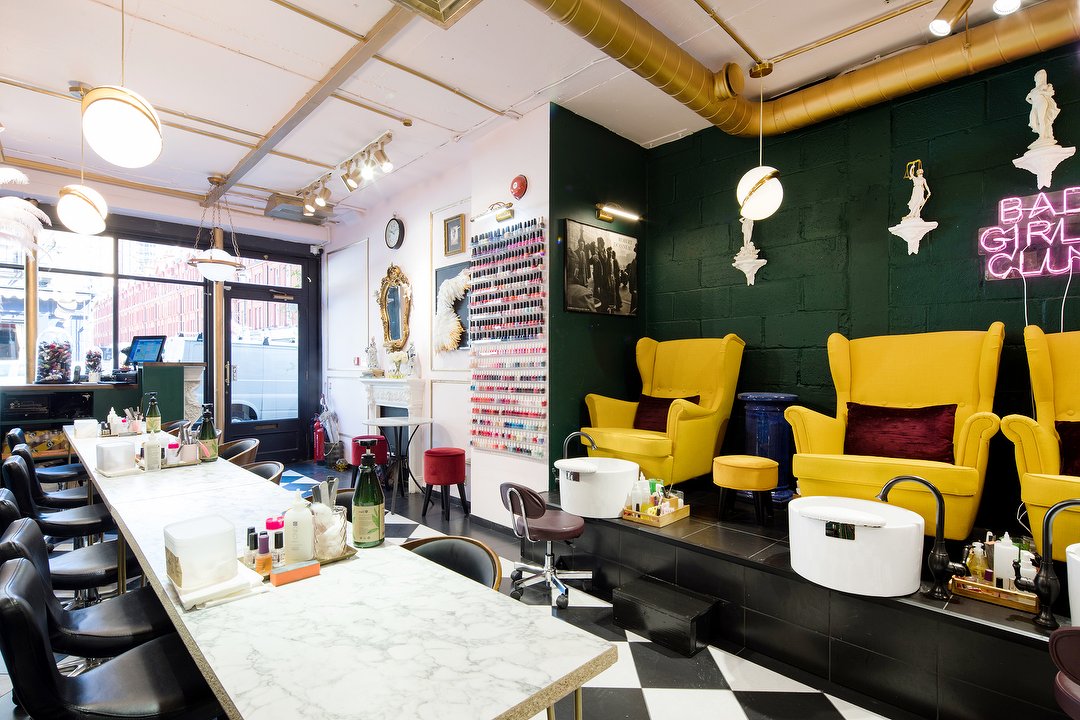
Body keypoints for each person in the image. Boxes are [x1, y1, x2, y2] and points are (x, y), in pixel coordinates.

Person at [1026, 69, 1060, 146]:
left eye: (1039, 77)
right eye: (1037, 77)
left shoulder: (1043, 86)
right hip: (1035, 105)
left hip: (1042, 103)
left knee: (1042, 119)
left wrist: (1041, 92)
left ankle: (1042, 136)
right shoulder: (1033, 90)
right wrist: (1033, 102)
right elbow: (1027, 99)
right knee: (1033, 122)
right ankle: (1042, 134)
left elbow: (1051, 93)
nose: (1037, 78)